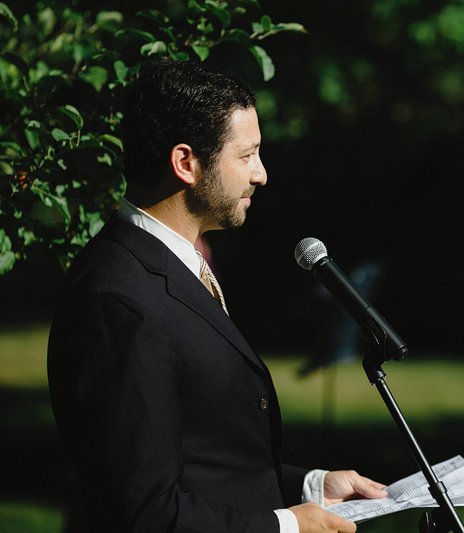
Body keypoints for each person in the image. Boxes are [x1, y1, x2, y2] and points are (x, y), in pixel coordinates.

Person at [47, 60, 387, 533]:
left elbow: (207, 463)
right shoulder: (119, 302)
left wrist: (311, 486)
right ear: (186, 163)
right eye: (246, 155)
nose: (261, 174)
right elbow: (143, 511)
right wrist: (287, 526)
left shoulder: (176, 266)